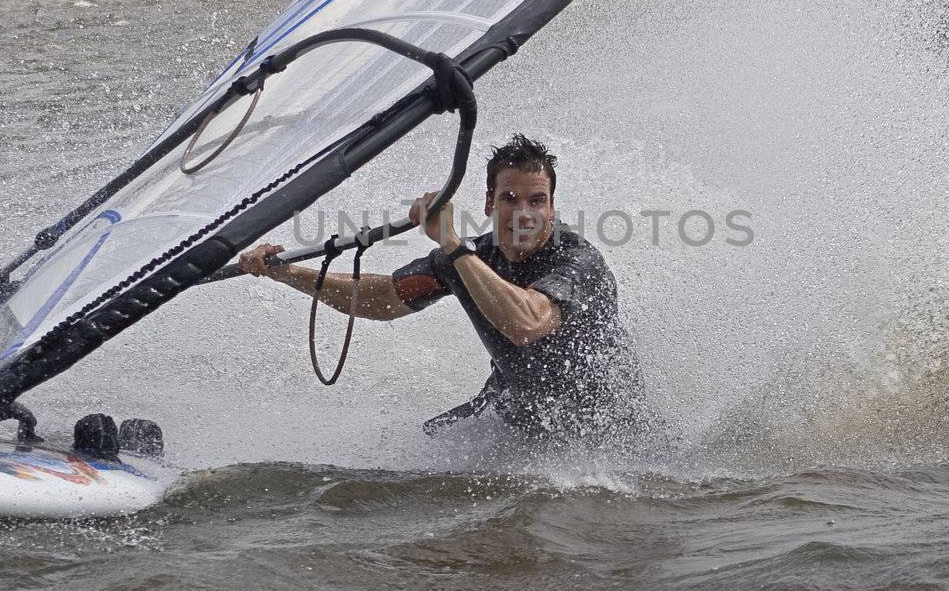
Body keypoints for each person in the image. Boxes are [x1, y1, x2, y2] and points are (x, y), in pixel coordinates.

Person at [239, 134, 649, 442]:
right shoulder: (468, 260)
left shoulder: (577, 261)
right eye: (510, 198)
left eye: (537, 201)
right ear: (490, 203)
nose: (524, 214)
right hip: (517, 407)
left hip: (605, 426)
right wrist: (288, 274)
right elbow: (381, 299)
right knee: (424, 446)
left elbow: (527, 321)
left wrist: (451, 243)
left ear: (552, 207)